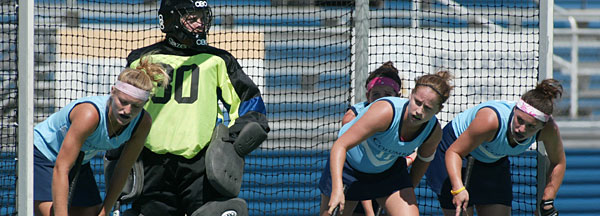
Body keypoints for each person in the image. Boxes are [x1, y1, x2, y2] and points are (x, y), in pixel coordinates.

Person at [107, 0, 269, 215]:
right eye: (192, 19)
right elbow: (120, 108)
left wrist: (231, 144)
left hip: (201, 166)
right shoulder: (141, 59)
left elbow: (251, 107)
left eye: (202, 18)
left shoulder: (219, 60)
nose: (199, 24)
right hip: (150, 165)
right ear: (171, 20)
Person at [33, 57, 169, 216]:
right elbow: (62, 167)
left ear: (144, 104)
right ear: (112, 91)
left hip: (79, 161)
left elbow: (123, 169)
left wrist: (105, 211)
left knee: (91, 213)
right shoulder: (89, 115)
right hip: (41, 155)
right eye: (123, 101)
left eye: (136, 106)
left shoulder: (142, 123)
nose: (127, 111)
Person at [319, 70, 454, 216]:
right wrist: (337, 189)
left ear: (438, 110)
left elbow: (423, 159)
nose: (419, 111)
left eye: (427, 108)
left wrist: (408, 189)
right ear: (411, 94)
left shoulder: (433, 132)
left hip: (389, 174)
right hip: (349, 171)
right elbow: (340, 145)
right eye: (417, 102)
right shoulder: (385, 112)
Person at [425, 79, 566, 216]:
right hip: (454, 154)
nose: (521, 129)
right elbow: (454, 152)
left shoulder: (549, 130)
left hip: (492, 160)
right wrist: (458, 189)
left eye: (531, 126)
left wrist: (547, 201)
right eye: (520, 120)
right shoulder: (490, 120)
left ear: (542, 126)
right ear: (515, 110)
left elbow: (558, 162)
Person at [342, 62, 416, 216]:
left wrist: (406, 162)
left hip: (387, 175)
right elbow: (359, 163)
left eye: (388, 95)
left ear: (398, 96)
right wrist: (369, 212)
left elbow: (421, 152)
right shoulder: (352, 118)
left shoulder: (409, 118)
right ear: (368, 96)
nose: (382, 100)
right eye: (376, 95)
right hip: (354, 177)